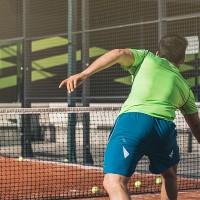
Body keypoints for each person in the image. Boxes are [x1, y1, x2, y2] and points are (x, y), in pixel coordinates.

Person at [59, 34, 200, 200]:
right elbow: (196, 127)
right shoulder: (186, 88)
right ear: (182, 60)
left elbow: (119, 53)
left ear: (157, 53)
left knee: (114, 182)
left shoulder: (147, 58)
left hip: (134, 121)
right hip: (164, 128)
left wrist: (83, 74)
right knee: (169, 175)